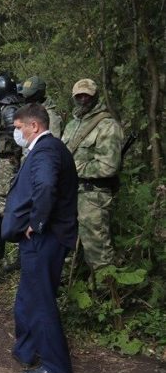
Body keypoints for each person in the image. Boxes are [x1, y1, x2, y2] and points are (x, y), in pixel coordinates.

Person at [2, 103, 78, 373]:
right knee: (27, 298)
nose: (16, 132)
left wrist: (37, 222)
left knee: (41, 300)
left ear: (34, 126)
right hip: (43, 238)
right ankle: (27, 349)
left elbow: (46, 186)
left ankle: (56, 364)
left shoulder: (46, 150)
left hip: (46, 238)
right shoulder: (48, 149)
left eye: (19, 127)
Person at [61, 78, 124, 274]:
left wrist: (73, 168)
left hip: (93, 197)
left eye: (86, 95)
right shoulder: (72, 124)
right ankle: (74, 289)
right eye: (78, 95)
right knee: (67, 245)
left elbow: (108, 166)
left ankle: (108, 297)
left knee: (98, 252)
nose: (82, 99)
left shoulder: (107, 125)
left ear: (95, 96)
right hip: (70, 194)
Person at [0, 74, 24, 215]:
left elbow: (17, 141)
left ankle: (6, 229)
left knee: (2, 197)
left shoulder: (10, 111)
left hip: (8, 161)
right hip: (2, 161)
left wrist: (16, 162)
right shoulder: (4, 108)